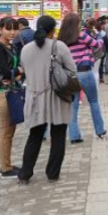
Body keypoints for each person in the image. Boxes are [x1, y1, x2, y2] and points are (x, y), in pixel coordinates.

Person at [17, 15, 76, 184]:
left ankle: (25, 174)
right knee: (58, 136)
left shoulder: (26, 49)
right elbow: (72, 71)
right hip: (57, 97)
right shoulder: (60, 47)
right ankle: (52, 173)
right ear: (53, 30)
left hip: (34, 97)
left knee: (34, 136)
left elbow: (25, 72)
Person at [59, 14, 106, 144]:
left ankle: (74, 136)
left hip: (70, 75)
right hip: (85, 73)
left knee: (73, 106)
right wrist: (100, 37)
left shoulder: (61, 38)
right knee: (93, 101)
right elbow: (97, 45)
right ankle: (100, 130)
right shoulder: (81, 35)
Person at [0, 17, 22, 178]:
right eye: (9, 29)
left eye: (15, 29)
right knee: (5, 130)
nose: (13, 32)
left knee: (11, 130)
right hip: (1, 92)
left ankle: (7, 164)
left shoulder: (11, 46)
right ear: (0, 29)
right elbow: (5, 69)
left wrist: (16, 73)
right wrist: (18, 72)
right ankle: (5, 168)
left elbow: (13, 69)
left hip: (12, 90)